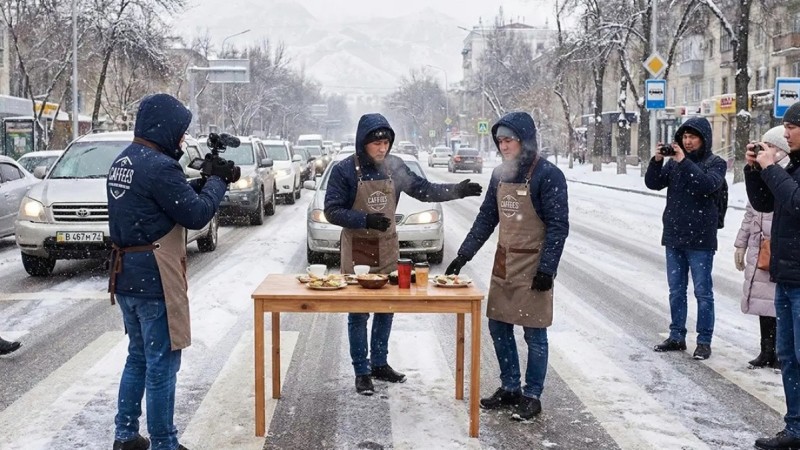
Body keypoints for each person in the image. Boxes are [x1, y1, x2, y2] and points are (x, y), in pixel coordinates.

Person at [107, 93, 239, 450]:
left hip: (127, 276)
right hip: (155, 279)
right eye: (180, 131)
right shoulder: (160, 167)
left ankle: (125, 435)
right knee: (162, 364)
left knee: (138, 357)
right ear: (164, 127)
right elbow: (195, 214)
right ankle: (164, 442)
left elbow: (161, 202)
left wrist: (202, 182)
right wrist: (218, 182)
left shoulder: (125, 160)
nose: (182, 139)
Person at [324, 113, 482, 396]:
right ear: (363, 143)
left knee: (387, 307)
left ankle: (379, 363)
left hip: (386, 247)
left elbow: (423, 190)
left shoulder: (394, 167)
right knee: (358, 312)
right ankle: (361, 371)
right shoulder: (344, 170)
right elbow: (332, 211)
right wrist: (364, 219)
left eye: (386, 143)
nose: (382, 148)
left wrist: (456, 191)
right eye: (376, 143)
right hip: (358, 249)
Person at [445, 112, 569, 421]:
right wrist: (463, 255)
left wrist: (547, 269)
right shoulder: (500, 174)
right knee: (498, 325)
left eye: (509, 140)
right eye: (500, 141)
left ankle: (532, 394)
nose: (503, 146)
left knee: (534, 331)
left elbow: (558, 226)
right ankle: (510, 386)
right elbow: (487, 218)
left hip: (534, 265)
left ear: (524, 140)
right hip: (505, 262)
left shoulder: (548, 175)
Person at [645, 116, 726, 360]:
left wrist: (683, 161)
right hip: (674, 236)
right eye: (685, 137)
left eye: (693, 137)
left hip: (701, 239)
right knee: (676, 291)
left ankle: (704, 341)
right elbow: (653, 183)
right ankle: (677, 335)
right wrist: (657, 161)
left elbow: (706, 185)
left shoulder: (716, 163)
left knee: (703, 292)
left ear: (704, 139)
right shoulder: (674, 164)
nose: (688, 142)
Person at [748, 102, 800, 450]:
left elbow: (796, 203)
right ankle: (795, 428)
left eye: (792, 126)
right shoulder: (793, 166)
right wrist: (755, 170)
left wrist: (771, 168)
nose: (786, 132)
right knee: (789, 357)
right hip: (786, 276)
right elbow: (767, 204)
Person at [734, 126, 789, 370]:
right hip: (760, 248)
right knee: (762, 303)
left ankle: (781, 352)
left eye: (771, 146)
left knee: (778, 304)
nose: (765, 150)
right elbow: (751, 212)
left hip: (779, 248)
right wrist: (741, 244)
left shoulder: (786, 174)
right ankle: (766, 350)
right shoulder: (761, 172)